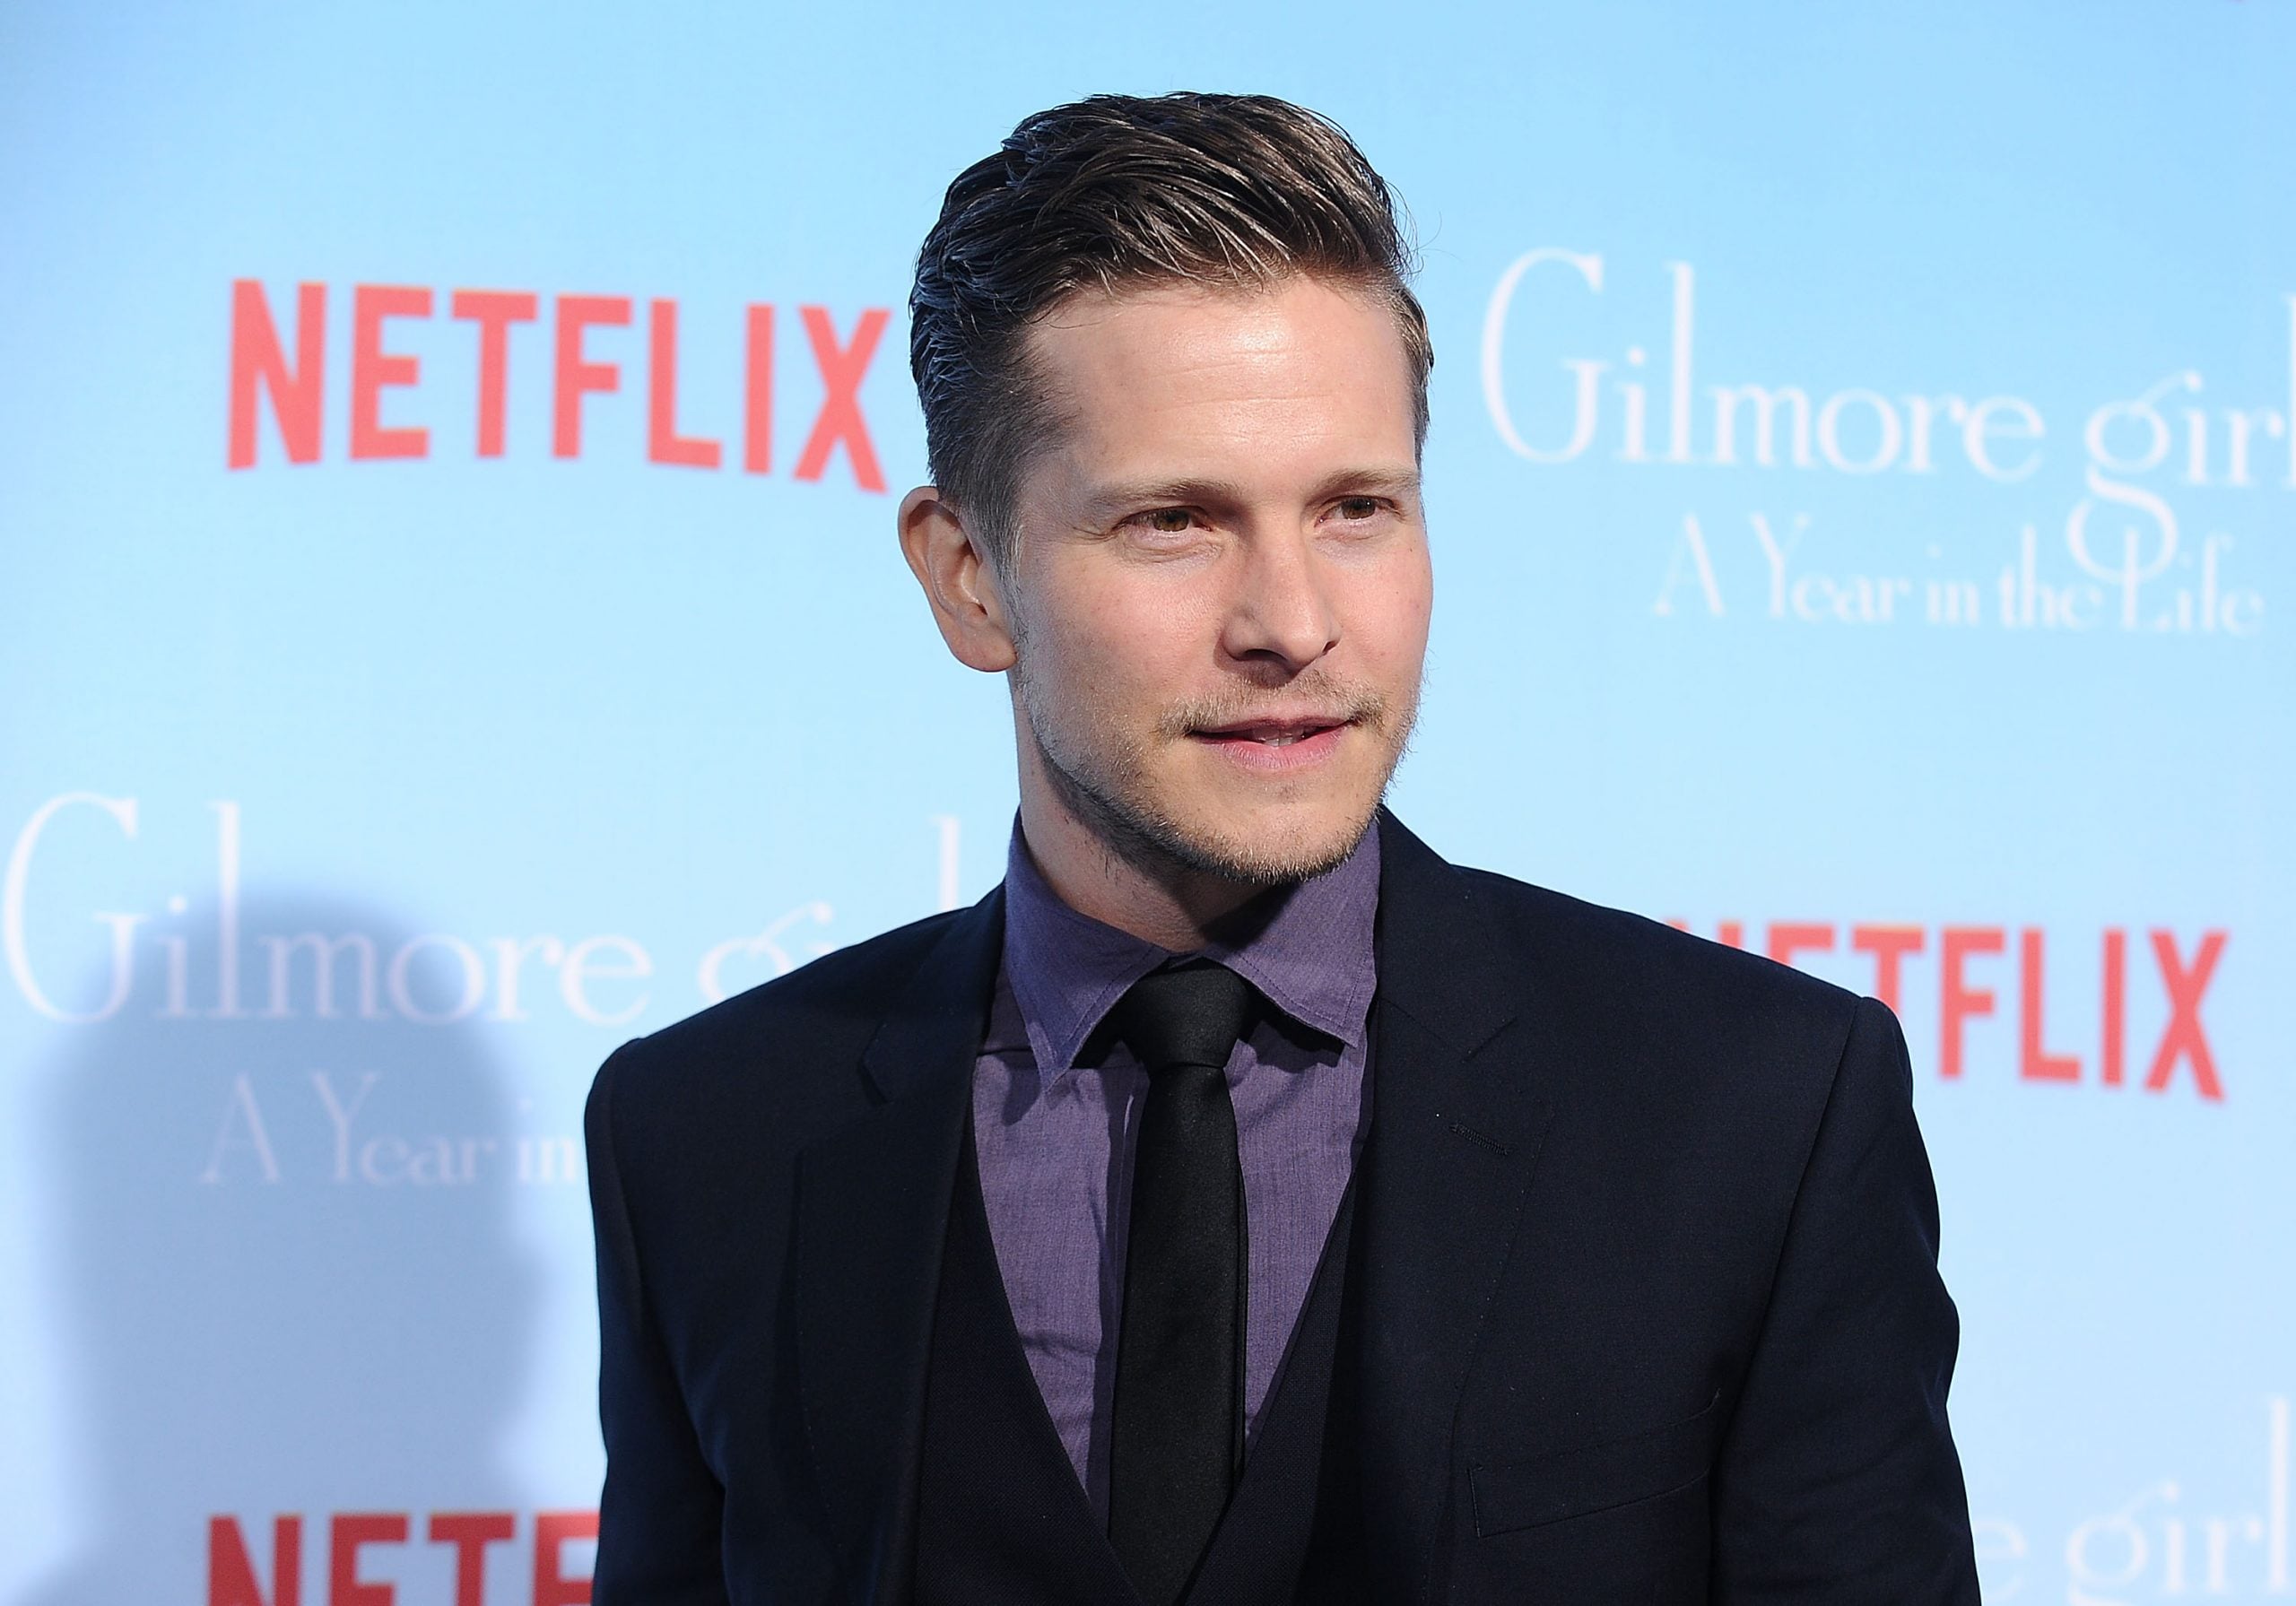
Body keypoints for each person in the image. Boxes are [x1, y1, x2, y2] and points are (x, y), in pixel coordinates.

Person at [584, 91, 1981, 1604]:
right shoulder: (706, 1139)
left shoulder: (1756, 1110)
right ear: (969, 578)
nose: (1295, 624)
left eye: (1355, 508)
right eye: (1176, 522)